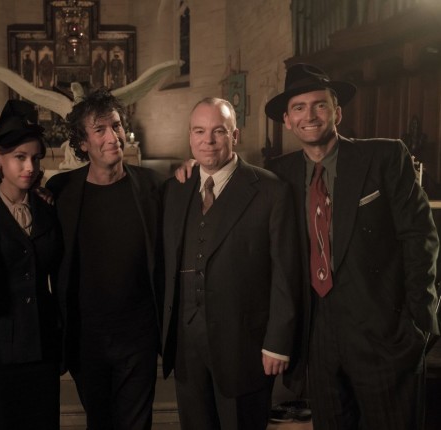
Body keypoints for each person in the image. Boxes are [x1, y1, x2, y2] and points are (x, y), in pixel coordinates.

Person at [265, 63, 440, 429]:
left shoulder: (385, 157)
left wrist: (418, 323)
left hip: (384, 332)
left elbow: (420, 239)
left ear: (338, 112)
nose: (310, 116)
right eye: (299, 108)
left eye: (320, 105)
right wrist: (192, 170)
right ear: (287, 120)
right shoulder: (277, 174)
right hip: (317, 337)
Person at [162, 97, 301, 429]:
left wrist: (277, 343)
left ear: (234, 135)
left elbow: (286, 272)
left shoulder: (270, 190)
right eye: (199, 131)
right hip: (186, 346)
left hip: (244, 347)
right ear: (190, 136)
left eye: (218, 131)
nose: (208, 140)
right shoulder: (175, 189)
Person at [45, 88, 163, 430]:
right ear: (82, 143)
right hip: (86, 337)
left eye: (116, 126)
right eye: (100, 130)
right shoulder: (61, 190)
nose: (113, 137)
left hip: (138, 334)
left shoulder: (154, 186)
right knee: (99, 422)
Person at [0, 100, 63, 429]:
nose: (29, 167)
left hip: (42, 345)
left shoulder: (47, 209)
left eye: (35, 158)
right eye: (20, 157)